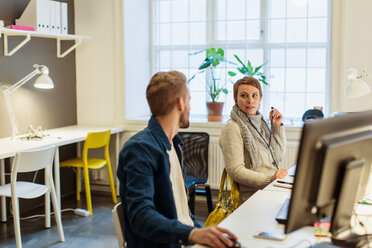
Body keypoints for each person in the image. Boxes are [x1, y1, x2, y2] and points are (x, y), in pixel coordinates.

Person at [117, 70, 237, 248]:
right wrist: (193, 234)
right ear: (180, 103)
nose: (190, 106)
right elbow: (141, 216)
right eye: (189, 100)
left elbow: (183, 214)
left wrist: (203, 234)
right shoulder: (140, 149)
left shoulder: (174, 145)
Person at [219, 76, 288, 204]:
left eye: (254, 95)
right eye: (244, 96)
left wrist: (276, 126)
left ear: (260, 98)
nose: (250, 100)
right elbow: (235, 170)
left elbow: (277, 157)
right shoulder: (232, 128)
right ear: (235, 99)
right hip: (252, 196)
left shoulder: (261, 125)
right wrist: (270, 179)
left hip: (271, 189)